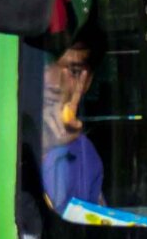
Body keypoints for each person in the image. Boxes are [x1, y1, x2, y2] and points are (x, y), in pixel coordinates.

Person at [38, 23, 105, 215]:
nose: (55, 83)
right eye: (45, 64)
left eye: (74, 72)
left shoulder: (85, 156)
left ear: (86, 83)